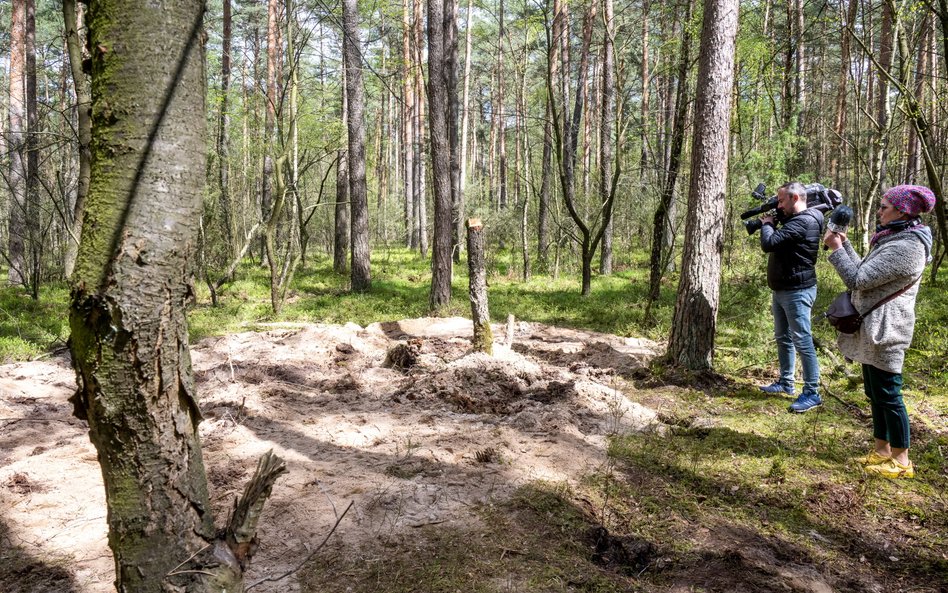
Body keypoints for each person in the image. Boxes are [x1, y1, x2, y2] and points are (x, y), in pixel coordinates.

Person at [823, 185, 935, 479]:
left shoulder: (908, 247)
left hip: (888, 330)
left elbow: (858, 278)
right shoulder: (893, 238)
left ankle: (902, 460)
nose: (879, 211)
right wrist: (845, 245)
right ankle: (881, 450)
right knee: (874, 392)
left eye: (884, 206)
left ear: (902, 211)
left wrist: (835, 249)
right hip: (874, 327)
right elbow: (865, 269)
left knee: (889, 393)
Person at [757, 182, 823, 412]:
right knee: (783, 337)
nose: (778, 205)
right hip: (783, 289)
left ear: (795, 198)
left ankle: (812, 392)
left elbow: (770, 243)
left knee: (802, 340)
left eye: (782, 200)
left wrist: (767, 224)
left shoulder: (804, 222)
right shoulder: (796, 220)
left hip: (797, 290)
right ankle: (786, 382)